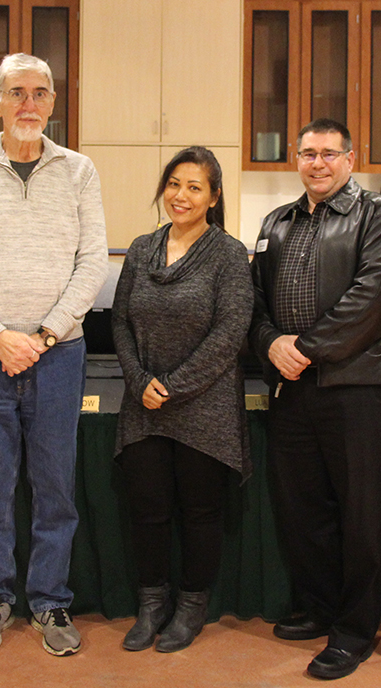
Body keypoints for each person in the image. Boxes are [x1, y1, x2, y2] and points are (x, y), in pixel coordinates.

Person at [0, 52, 107, 658]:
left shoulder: (80, 171)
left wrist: (47, 335)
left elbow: (92, 263)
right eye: (17, 92)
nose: (29, 104)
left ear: (53, 103)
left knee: (55, 486)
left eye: (40, 93)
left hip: (60, 356)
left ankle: (51, 600)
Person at [249, 118, 381, 680]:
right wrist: (271, 343)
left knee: (362, 515)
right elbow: (255, 300)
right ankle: (318, 608)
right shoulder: (276, 222)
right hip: (292, 390)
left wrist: (305, 349)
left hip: (356, 389)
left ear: (350, 158)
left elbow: (372, 301)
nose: (317, 163)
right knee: (304, 510)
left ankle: (356, 630)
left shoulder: (379, 217)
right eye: (307, 153)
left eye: (328, 154)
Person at [112, 147, 253, 653]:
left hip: (203, 408)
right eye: (174, 184)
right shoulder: (141, 248)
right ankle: (151, 605)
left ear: (214, 197)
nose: (182, 195)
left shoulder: (230, 254)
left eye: (195, 187)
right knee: (147, 511)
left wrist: (172, 385)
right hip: (143, 405)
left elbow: (230, 331)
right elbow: (121, 322)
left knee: (200, 513)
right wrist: (138, 379)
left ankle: (191, 608)